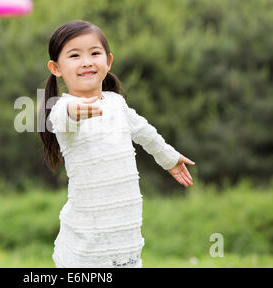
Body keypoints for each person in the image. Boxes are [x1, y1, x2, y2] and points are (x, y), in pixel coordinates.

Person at [38, 20, 195, 268]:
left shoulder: (116, 103)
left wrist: (169, 158)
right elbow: (62, 116)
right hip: (86, 240)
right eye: (75, 55)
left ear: (108, 61)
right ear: (56, 68)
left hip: (125, 232)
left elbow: (145, 133)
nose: (87, 61)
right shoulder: (61, 108)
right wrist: (75, 109)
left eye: (95, 53)